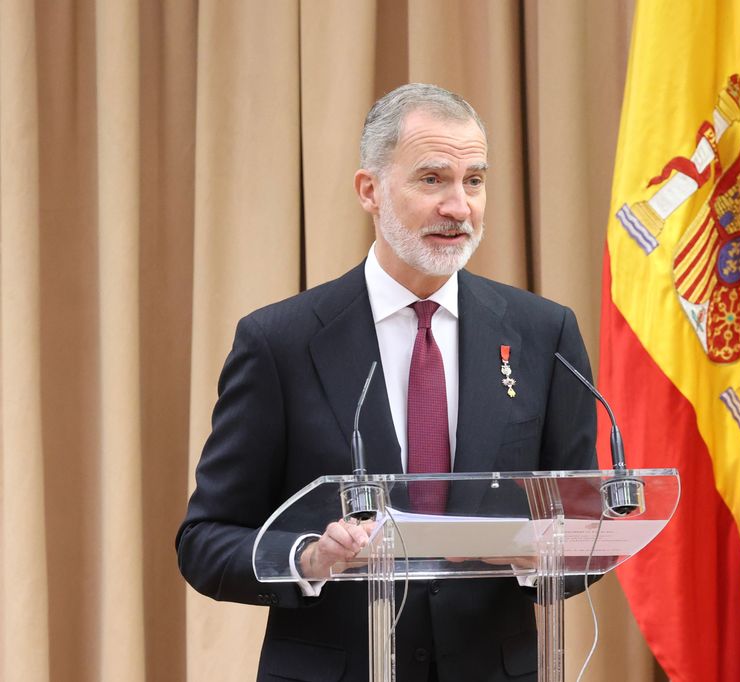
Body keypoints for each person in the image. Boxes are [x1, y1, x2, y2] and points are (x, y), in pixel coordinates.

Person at [176, 83, 597, 682]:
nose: (459, 207)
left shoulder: (543, 331)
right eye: (432, 180)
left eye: (474, 181)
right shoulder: (280, 342)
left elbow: (586, 520)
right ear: (369, 190)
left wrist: (535, 555)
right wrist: (309, 558)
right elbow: (205, 540)